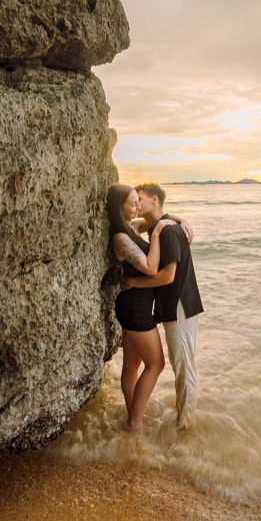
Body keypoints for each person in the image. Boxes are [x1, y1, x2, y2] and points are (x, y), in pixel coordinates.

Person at [125, 182, 204, 430]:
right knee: (181, 364)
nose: (137, 204)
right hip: (175, 305)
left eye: (141, 199)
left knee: (183, 367)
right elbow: (129, 224)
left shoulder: (168, 232)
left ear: (155, 200)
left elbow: (167, 277)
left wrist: (132, 283)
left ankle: (185, 429)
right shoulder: (158, 226)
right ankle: (185, 420)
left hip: (180, 305)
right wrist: (182, 218)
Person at [106, 184, 176, 431]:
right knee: (156, 365)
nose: (137, 207)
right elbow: (150, 268)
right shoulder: (121, 238)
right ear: (120, 206)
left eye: (138, 201)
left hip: (133, 305)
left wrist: (180, 220)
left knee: (132, 366)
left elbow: (158, 219)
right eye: (132, 203)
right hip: (136, 309)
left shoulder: (131, 228)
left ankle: (133, 414)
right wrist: (156, 236)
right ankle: (135, 422)